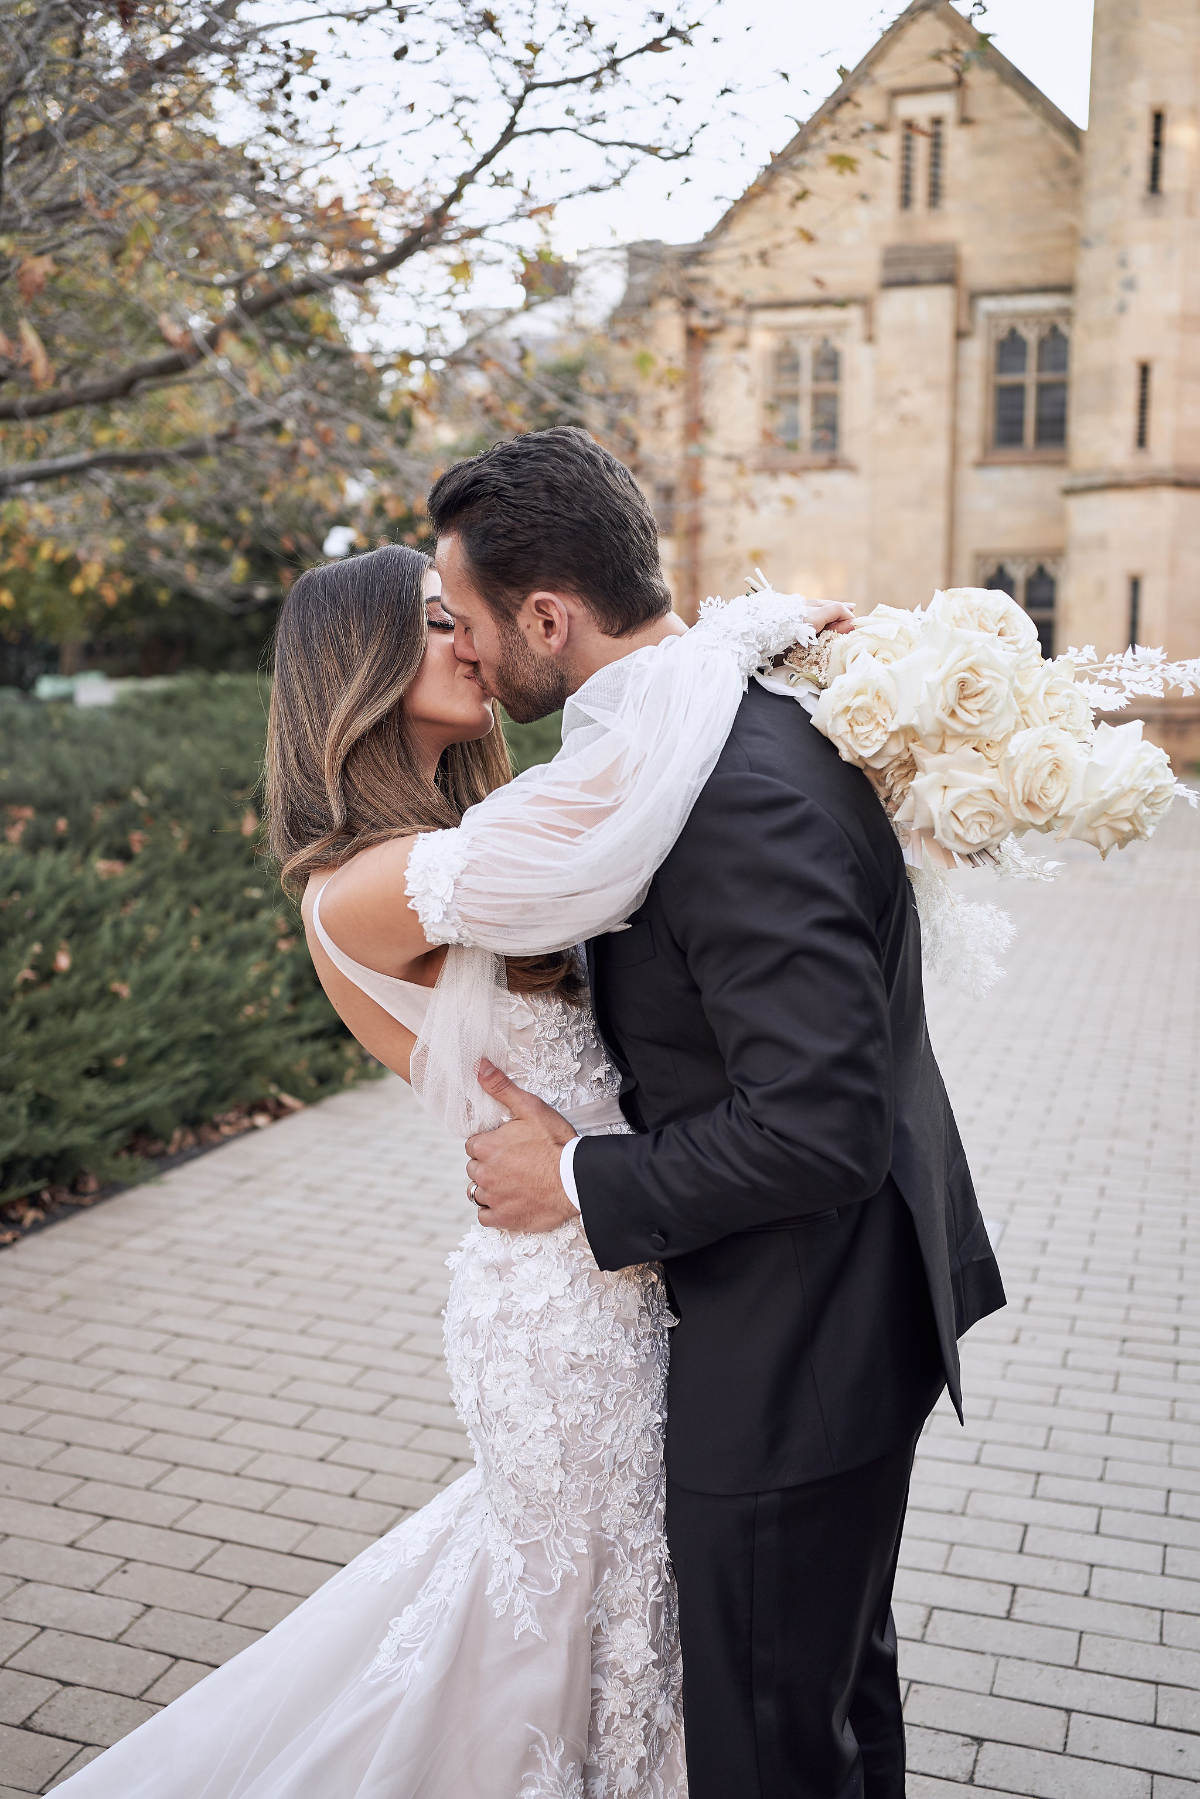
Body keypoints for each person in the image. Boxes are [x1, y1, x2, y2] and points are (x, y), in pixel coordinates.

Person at [52, 533, 848, 1799]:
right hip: (559, 1308)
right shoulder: (365, 886)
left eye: (468, 615)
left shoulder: (468, 832)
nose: (472, 639)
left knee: (616, 1622)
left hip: (615, 1262)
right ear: (357, 663)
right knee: (565, 1630)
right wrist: (732, 641)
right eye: (438, 621)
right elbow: (621, 802)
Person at [409, 427, 1008, 1799]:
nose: (476, 656)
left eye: (478, 622)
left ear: (551, 614)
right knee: (826, 1702)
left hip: (805, 1336)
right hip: (815, 1305)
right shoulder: (714, 717)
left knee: (765, 1735)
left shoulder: (729, 785)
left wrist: (579, 1177)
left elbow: (820, 1122)